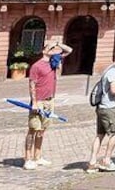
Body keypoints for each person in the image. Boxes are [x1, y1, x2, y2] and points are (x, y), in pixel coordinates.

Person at [23, 39, 72, 170]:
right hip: (38, 101)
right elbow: (32, 84)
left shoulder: (54, 62)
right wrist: (34, 102)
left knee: (42, 131)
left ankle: (38, 157)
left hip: (50, 101)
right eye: (51, 49)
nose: (54, 51)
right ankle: (28, 159)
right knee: (33, 130)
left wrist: (57, 43)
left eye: (54, 49)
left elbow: (69, 50)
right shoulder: (36, 66)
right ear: (44, 51)